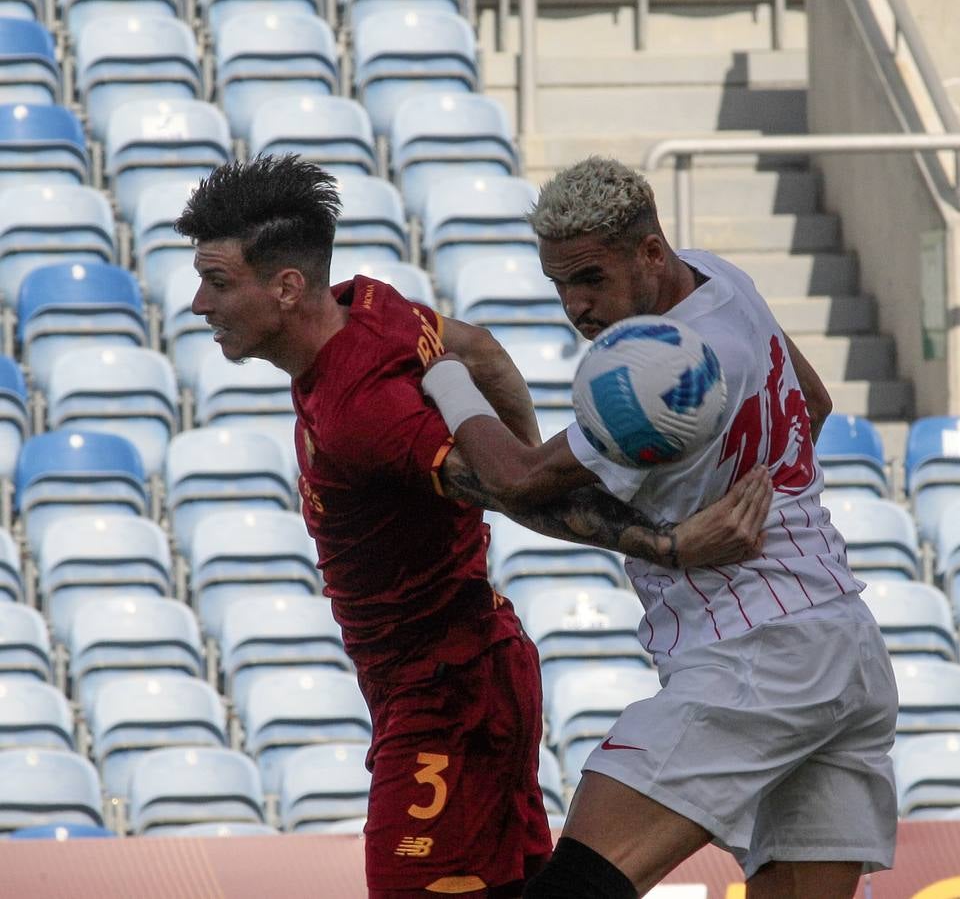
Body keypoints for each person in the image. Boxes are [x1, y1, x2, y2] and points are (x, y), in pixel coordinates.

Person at [174, 154, 773, 898]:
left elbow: (513, 490)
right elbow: (480, 352)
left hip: (446, 697)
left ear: (287, 286)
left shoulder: (364, 412)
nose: (200, 303)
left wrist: (665, 544)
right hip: (455, 678)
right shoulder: (370, 306)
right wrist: (518, 455)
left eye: (218, 282)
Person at [421, 156, 899, 899]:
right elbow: (812, 399)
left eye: (590, 279)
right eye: (559, 284)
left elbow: (514, 478)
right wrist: (732, 471)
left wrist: (443, 374)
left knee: (575, 888)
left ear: (648, 253)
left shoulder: (662, 365)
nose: (575, 307)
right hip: (841, 638)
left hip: (754, 656)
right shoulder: (715, 276)